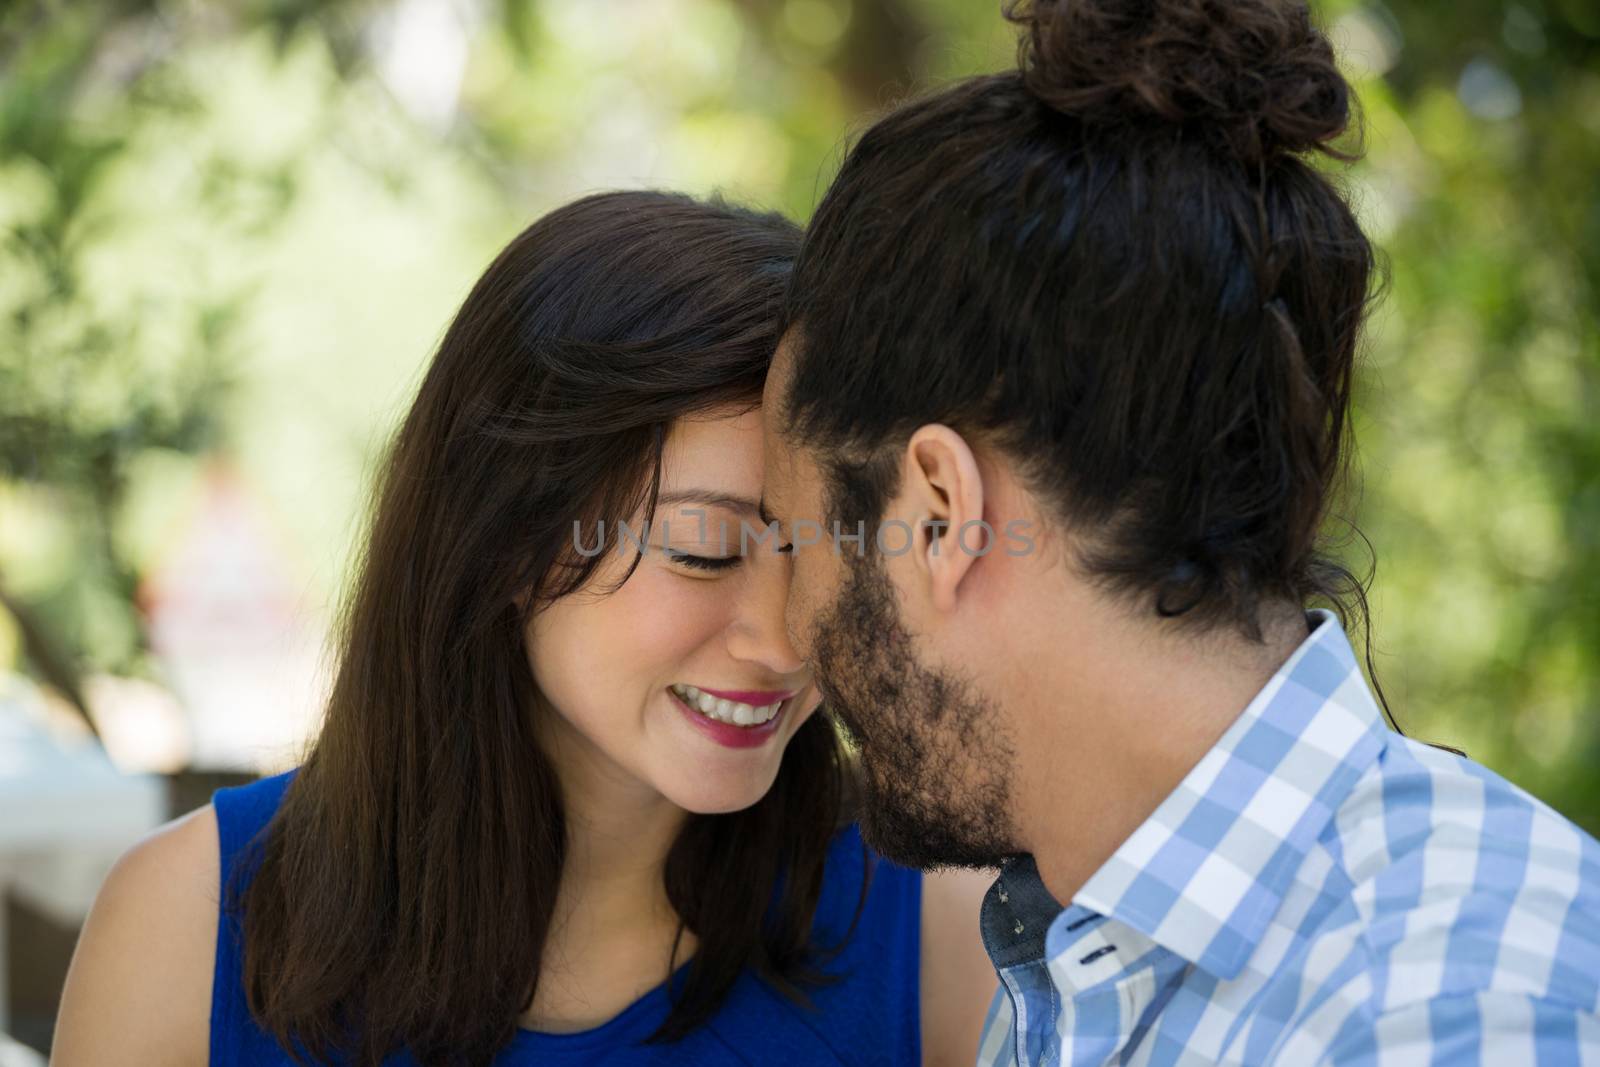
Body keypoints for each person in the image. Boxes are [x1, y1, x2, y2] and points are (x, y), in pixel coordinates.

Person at [757, 1, 1600, 1064]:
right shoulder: (1072, 968)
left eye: (793, 542)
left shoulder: (1441, 1014)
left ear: (936, 515)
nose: (786, 633)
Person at [52, 191, 996, 1066]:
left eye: (831, 552)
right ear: (503, 541)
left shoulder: (942, 932)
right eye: (706, 550)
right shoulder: (188, 926)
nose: (788, 642)